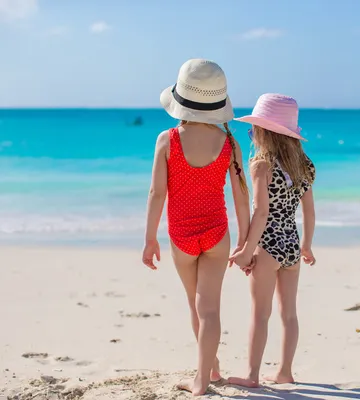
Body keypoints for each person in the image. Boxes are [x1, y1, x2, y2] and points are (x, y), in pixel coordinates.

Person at [142, 59, 250, 396]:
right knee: (210, 308)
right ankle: (211, 369)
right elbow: (241, 196)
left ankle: (202, 379)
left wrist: (149, 239)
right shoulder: (229, 143)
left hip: (181, 237)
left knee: (195, 305)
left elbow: (157, 192)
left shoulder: (168, 139)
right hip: (217, 235)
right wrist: (246, 242)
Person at [228, 94, 316, 387]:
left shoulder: (261, 166)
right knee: (289, 314)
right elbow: (309, 210)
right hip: (291, 243)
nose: (252, 135)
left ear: (264, 132)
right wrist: (306, 245)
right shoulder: (303, 165)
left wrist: (245, 251)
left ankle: (252, 375)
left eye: (254, 130)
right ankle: (285, 372)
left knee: (260, 314)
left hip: (268, 246)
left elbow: (261, 213)